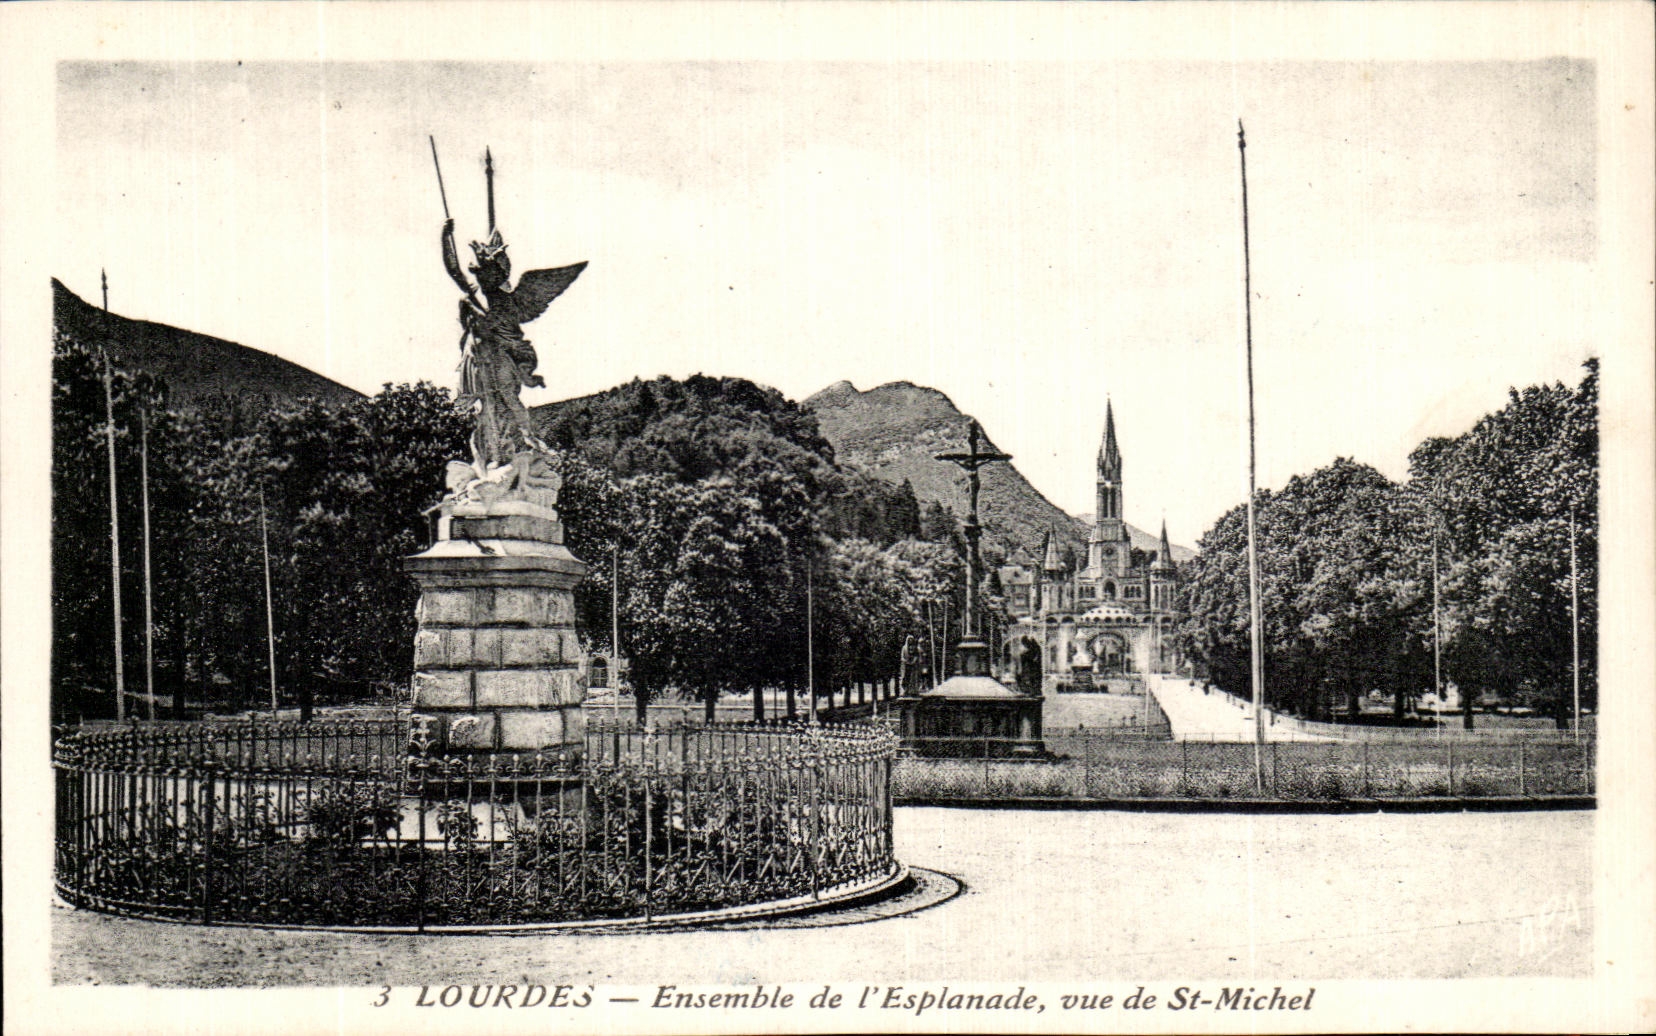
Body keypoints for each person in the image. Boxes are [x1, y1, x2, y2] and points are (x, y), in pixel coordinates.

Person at [441, 217, 587, 472]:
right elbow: (454, 270)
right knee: (487, 405)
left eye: (487, 270)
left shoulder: (507, 301)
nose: (480, 274)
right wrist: (446, 239)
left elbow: (497, 327)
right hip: (479, 356)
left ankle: (528, 439)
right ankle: (494, 455)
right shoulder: (475, 293)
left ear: (495, 275)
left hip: (501, 355)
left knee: (507, 398)